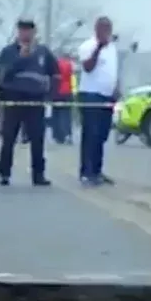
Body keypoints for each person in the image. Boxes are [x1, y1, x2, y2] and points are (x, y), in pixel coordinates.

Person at [0, 19, 58, 186]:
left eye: (29, 30)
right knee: (9, 137)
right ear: (18, 32)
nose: (26, 34)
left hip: (35, 100)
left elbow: (55, 73)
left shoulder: (43, 52)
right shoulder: (8, 52)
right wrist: (20, 59)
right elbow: (2, 76)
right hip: (14, 99)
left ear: (34, 32)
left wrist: (51, 93)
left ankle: (38, 175)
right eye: (22, 30)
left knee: (37, 139)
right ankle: (5, 173)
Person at [75, 17, 120, 187]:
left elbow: (112, 71)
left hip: (107, 96)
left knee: (102, 134)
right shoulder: (87, 46)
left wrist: (116, 88)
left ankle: (97, 171)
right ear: (96, 29)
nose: (106, 32)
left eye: (108, 29)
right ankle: (86, 172)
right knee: (91, 134)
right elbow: (88, 67)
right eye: (103, 29)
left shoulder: (112, 48)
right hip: (90, 95)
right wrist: (98, 48)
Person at [52, 54, 75, 145]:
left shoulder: (55, 64)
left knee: (56, 115)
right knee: (66, 115)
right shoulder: (69, 65)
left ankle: (58, 136)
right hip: (67, 92)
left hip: (56, 92)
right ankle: (67, 134)